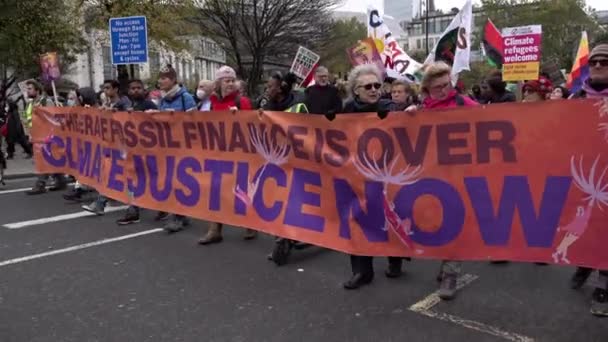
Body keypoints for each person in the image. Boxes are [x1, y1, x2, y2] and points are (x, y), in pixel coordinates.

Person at [403, 61, 478, 300]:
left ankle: (450, 272)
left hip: (459, 173)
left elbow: (491, 120)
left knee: (455, 220)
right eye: (438, 87)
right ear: (426, 90)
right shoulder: (420, 110)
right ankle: (446, 263)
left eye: (447, 85)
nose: (445, 90)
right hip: (431, 174)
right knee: (437, 221)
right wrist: (407, 118)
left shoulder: (463, 103)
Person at [340, 64, 408, 291]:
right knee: (357, 220)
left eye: (377, 85)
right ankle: (361, 271)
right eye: (367, 86)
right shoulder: (345, 111)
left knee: (390, 216)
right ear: (355, 90)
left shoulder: (391, 107)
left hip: (387, 174)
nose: (374, 89)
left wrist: (410, 114)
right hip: (357, 175)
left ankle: (395, 260)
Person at [568, 43, 608, 317]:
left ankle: (604, 283)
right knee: (586, 223)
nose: (597, 65)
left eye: (604, 61)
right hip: (584, 175)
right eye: (593, 61)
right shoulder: (575, 98)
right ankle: (586, 262)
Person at [198, 65, 256, 244]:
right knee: (215, 191)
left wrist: (239, 117)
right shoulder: (211, 102)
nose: (230, 84)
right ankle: (215, 230)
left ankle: (251, 224)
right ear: (218, 83)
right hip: (217, 152)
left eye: (232, 80)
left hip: (238, 152)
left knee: (241, 189)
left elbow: (252, 124)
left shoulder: (242, 101)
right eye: (226, 80)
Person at [258, 72, 310, 265]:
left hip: (297, 162)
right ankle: (282, 239)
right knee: (277, 199)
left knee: (294, 200)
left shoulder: (299, 106)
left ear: (280, 89)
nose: (267, 90)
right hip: (275, 161)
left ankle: (294, 235)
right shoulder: (265, 106)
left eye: (270, 86)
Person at [115, 79, 169, 225]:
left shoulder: (149, 105)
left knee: (153, 179)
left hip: (148, 150)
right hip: (132, 150)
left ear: (144, 90)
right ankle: (133, 210)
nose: (136, 90)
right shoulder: (125, 106)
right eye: (133, 88)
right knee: (133, 178)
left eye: (139, 88)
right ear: (129, 91)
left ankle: (164, 207)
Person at [155, 65, 197, 233]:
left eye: (164, 78)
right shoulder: (163, 99)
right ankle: (179, 213)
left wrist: (175, 116)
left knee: (179, 180)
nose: (160, 81)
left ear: (173, 80)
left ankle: (178, 216)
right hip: (166, 145)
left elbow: (195, 121)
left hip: (182, 146)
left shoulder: (185, 97)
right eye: (160, 78)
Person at [25, 80, 66, 195]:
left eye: (30, 89)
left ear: (37, 90)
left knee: (43, 160)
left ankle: (40, 184)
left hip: (46, 136)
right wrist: (29, 134)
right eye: (27, 89)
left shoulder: (46, 101)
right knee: (49, 159)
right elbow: (28, 120)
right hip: (36, 136)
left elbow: (53, 118)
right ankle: (61, 181)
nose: (27, 91)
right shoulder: (30, 103)